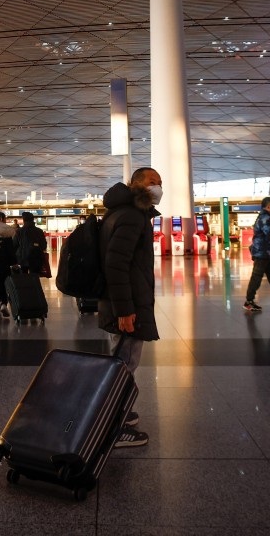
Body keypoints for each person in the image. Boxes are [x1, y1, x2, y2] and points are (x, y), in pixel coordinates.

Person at [98, 167, 162, 449]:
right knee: (124, 365)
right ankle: (114, 428)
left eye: (160, 183)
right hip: (127, 305)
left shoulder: (119, 211)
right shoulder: (132, 216)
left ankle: (119, 413)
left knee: (121, 361)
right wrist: (125, 310)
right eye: (152, 182)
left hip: (123, 302)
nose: (158, 187)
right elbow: (116, 264)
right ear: (137, 185)